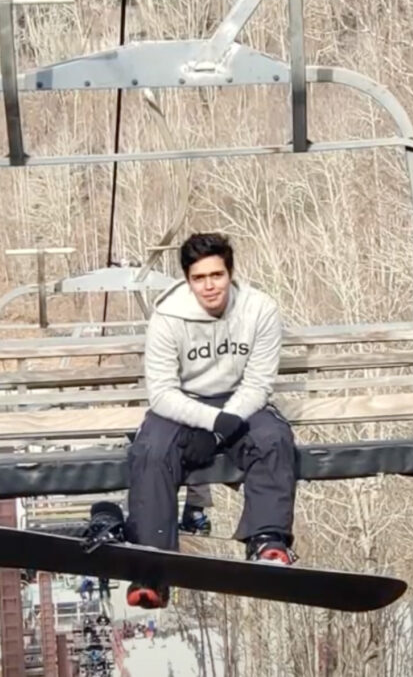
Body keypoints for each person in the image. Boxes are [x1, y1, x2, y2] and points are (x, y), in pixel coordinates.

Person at [119, 232, 299, 610]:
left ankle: (267, 540)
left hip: (239, 403)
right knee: (151, 452)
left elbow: (259, 381)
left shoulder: (259, 309)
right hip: (183, 406)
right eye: (199, 278)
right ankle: (152, 566)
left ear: (229, 273)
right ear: (188, 280)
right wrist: (211, 421)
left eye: (216, 275)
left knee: (273, 438)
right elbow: (163, 393)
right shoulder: (167, 318)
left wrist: (228, 419)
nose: (209, 286)